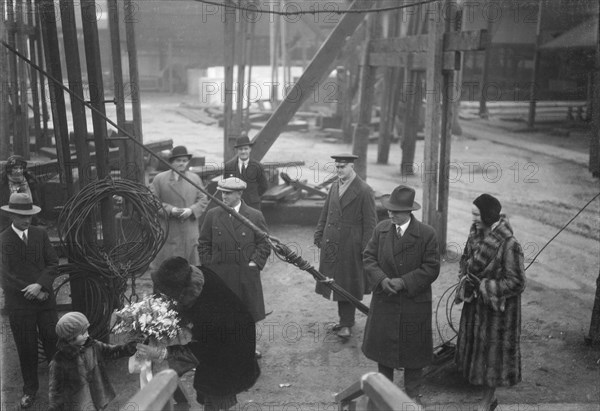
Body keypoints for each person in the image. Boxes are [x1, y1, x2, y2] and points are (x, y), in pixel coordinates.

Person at [138, 256, 260, 410]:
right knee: (206, 384)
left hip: (231, 349)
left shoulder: (209, 314)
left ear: (183, 292)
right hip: (226, 332)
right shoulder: (195, 275)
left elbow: (199, 351)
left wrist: (162, 352)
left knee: (216, 390)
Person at [361, 185, 440, 403]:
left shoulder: (427, 234)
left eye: (395, 210)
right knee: (383, 350)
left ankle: (413, 396)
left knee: (413, 351)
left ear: (408, 212)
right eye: (389, 209)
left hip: (413, 301)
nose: (390, 213)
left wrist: (404, 282)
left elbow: (432, 267)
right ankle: (382, 395)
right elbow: (368, 257)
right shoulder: (382, 229)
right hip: (385, 299)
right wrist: (381, 280)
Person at [454, 194, 526, 411]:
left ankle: (488, 400)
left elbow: (517, 282)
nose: (473, 219)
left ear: (487, 214)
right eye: (472, 214)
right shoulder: (474, 236)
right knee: (477, 355)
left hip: (498, 313)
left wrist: (484, 286)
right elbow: (464, 263)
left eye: (477, 214)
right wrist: (464, 281)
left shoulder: (509, 244)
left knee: (493, 358)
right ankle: (486, 397)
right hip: (475, 306)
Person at [198, 177, 271, 358]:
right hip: (220, 274)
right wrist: (210, 265)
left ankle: (248, 349)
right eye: (222, 192)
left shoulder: (254, 215)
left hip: (244, 274)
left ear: (239, 194)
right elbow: (203, 243)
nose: (224, 196)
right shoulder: (213, 214)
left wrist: (255, 263)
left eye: (228, 193)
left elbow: (264, 243)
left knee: (246, 313)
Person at [0, 193, 59, 409]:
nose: (27, 220)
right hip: (19, 304)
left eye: (30, 216)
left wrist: (40, 286)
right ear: (11, 216)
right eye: (21, 216)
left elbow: (53, 263)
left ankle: (58, 387)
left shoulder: (40, 234)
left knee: (53, 342)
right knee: (26, 349)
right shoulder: (3, 240)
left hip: (45, 301)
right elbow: (4, 275)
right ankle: (30, 390)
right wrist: (31, 290)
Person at [313, 153, 377, 339]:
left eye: (343, 167)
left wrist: (366, 249)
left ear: (352, 167)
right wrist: (319, 234)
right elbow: (325, 213)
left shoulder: (364, 190)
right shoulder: (334, 186)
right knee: (335, 281)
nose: (339, 170)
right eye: (337, 167)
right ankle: (344, 321)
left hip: (351, 245)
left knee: (348, 284)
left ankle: (347, 324)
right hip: (332, 241)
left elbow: (370, 223)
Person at [47, 312, 138, 411]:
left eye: (87, 331)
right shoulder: (59, 360)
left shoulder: (93, 346)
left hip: (97, 397)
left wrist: (132, 347)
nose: (87, 335)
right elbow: (56, 390)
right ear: (70, 337)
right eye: (83, 333)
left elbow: (112, 351)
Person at [149, 145, 208, 272]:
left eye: (184, 161)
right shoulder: (160, 179)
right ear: (171, 162)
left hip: (189, 231)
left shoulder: (194, 179)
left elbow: (203, 199)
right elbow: (152, 201)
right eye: (178, 161)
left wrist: (191, 210)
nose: (182, 163)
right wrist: (171, 210)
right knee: (167, 268)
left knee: (190, 269)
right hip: (169, 231)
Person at [223, 134, 268, 210]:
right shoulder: (229, 166)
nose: (243, 152)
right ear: (237, 150)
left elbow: (264, 186)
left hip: (253, 205)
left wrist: (253, 196)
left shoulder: (258, 166)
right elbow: (225, 187)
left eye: (245, 149)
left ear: (250, 149)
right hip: (234, 205)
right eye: (240, 149)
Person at [1, 155, 42, 231]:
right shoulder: (2, 183)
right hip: (7, 220)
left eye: (21, 168)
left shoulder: (30, 181)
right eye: (15, 168)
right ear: (10, 169)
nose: (19, 171)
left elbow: (36, 200)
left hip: (28, 217)